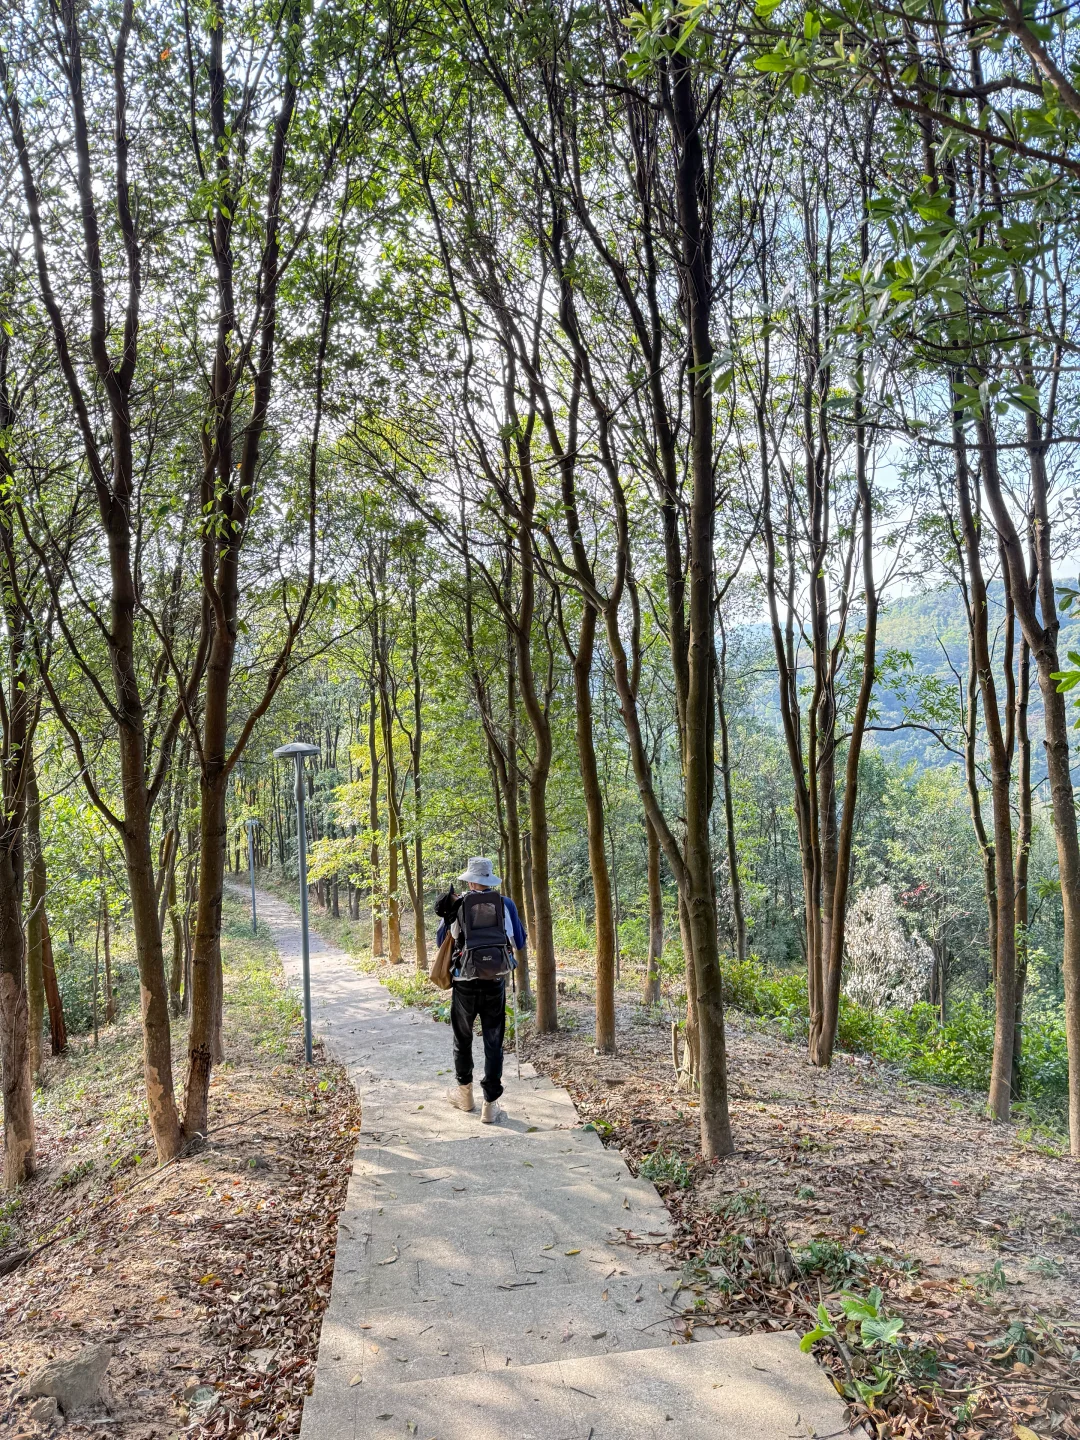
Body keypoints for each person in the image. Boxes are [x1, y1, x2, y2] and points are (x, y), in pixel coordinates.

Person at [435, 857, 526, 1124]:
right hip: (495, 982)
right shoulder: (505, 903)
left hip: (464, 983)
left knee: (462, 1039)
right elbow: (518, 942)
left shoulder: (459, 903)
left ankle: (465, 1096)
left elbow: (442, 941)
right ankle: (490, 1105)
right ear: (489, 880)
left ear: (470, 880)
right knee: (493, 1041)